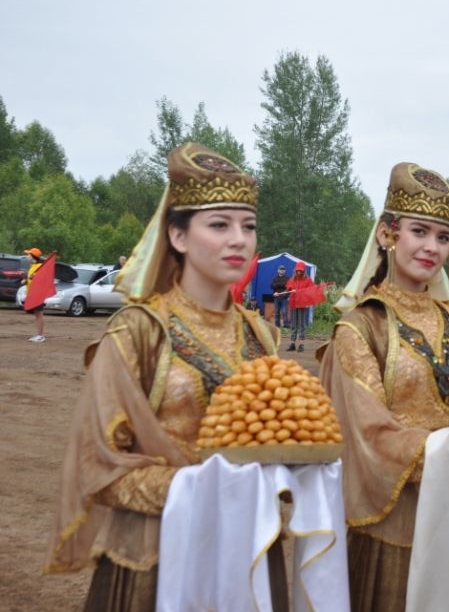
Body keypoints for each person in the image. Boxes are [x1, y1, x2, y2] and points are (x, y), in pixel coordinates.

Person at [45, 143, 279, 609]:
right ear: (178, 236)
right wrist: (197, 489)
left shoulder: (261, 335)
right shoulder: (138, 332)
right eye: (219, 225)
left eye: (248, 226)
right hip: (156, 557)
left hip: (246, 554)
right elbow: (99, 465)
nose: (239, 239)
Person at [318, 162, 449, 612]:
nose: (432, 247)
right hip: (393, 527)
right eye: (420, 232)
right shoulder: (360, 328)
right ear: (389, 235)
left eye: (444, 237)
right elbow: (366, 430)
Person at [285, 261, 314, 352]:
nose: (299, 272)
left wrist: (301, 292)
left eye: (300, 271)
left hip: (302, 304)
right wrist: (289, 291)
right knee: (293, 324)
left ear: (303, 271)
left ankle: (301, 344)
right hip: (294, 304)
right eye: (297, 270)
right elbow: (288, 289)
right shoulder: (292, 279)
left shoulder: (308, 280)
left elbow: (311, 291)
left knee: (302, 324)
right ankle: (293, 343)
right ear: (295, 270)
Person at [22, 247, 47, 342]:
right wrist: (25, 281)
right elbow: (31, 280)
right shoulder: (32, 266)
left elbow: (41, 279)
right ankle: (38, 334)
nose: (27, 256)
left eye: (28, 254)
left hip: (38, 294)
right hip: (32, 293)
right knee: (37, 314)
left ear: (33, 256)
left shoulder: (40, 266)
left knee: (39, 314)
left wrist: (34, 277)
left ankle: (40, 336)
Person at [270, 263, 290, 328]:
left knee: (284, 312)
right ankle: (277, 325)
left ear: (285, 271)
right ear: (278, 270)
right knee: (276, 312)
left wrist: (278, 285)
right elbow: (272, 286)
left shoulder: (287, 278)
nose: (282, 270)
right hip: (276, 298)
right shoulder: (275, 278)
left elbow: (288, 287)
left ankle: (286, 325)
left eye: (283, 269)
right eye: (281, 269)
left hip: (284, 298)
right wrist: (282, 285)